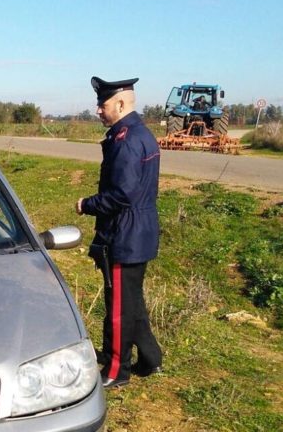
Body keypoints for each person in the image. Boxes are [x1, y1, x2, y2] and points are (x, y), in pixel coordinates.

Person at [75, 76, 163, 389]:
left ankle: (117, 370)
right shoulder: (140, 133)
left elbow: (122, 194)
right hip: (139, 231)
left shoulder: (126, 140)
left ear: (121, 103)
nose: (98, 109)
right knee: (131, 302)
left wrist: (87, 204)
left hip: (125, 234)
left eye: (103, 103)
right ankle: (151, 358)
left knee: (118, 310)